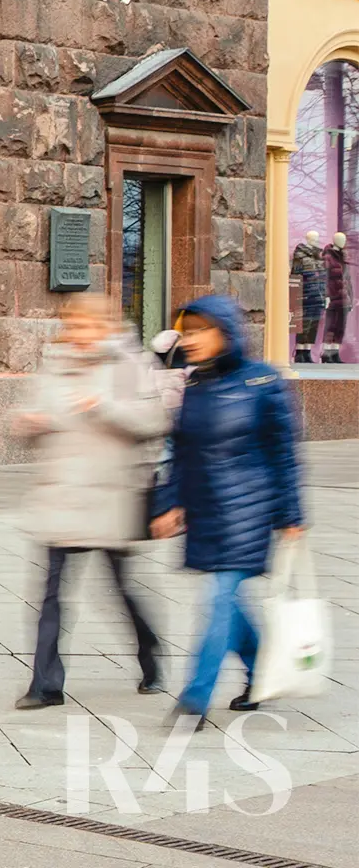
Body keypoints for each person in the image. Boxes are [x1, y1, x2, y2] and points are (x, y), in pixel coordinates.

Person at [151, 295, 307, 727]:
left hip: (249, 510)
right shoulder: (194, 385)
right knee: (230, 603)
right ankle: (261, 672)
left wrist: (291, 515)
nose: (190, 340)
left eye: (200, 330)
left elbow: (284, 453)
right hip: (206, 510)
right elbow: (181, 453)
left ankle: (195, 699)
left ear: (225, 332)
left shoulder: (264, 381)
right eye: (186, 332)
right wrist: (169, 503)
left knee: (220, 598)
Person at [10, 292, 167, 710]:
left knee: (119, 589)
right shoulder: (55, 365)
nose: (78, 333)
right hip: (61, 496)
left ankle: (150, 653)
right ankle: (45, 685)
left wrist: (104, 406)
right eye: (73, 325)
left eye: (87, 326)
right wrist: (30, 423)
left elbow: (154, 421)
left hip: (109, 497)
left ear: (107, 327)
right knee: (51, 594)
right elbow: (34, 414)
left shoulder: (129, 364)